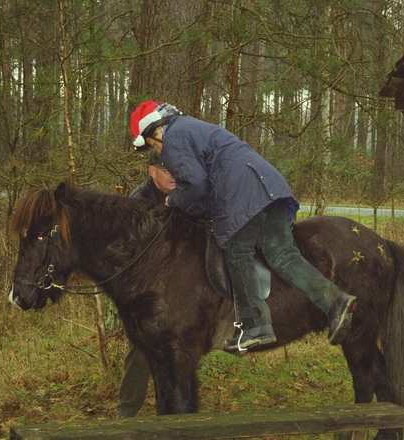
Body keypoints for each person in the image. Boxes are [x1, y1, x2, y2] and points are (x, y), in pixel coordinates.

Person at [130, 100, 358, 354]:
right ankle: (335, 301)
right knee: (283, 256)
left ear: (157, 131)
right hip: (268, 187)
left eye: (153, 145)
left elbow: (194, 185)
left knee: (237, 253)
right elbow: (206, 182)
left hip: (243, 195)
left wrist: (172, 200)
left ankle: (257, 325)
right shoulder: (194, 127)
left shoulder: (174, 138)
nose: (159, 151)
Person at [116, 149, 175, 418]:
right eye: (166, 170)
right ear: (152, 173)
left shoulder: (185, 192)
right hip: (146, 289)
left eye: (176, 169)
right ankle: (126, 414)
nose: (173, 175)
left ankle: (174, 414)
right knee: (140, 350)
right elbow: (130, 254)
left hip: (180, 282)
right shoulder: (138, 202)